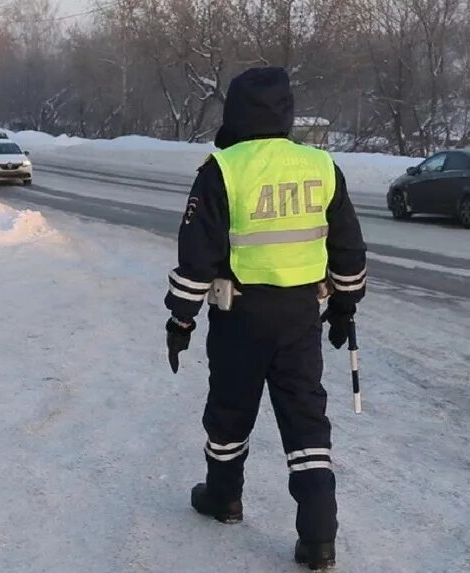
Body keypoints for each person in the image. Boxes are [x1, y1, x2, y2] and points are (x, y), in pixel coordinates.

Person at [164, 67, 367, 570]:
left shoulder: (223, 168)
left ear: (233, 110)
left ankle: (223, 497)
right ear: (287, 112)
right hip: (301, 317)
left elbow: (197, 256)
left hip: (240, 317)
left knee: (230, 411)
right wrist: (344, 305)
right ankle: (319, 539)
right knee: (305, 420)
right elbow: (347, 247)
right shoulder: (321, 165)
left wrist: (181, 320)